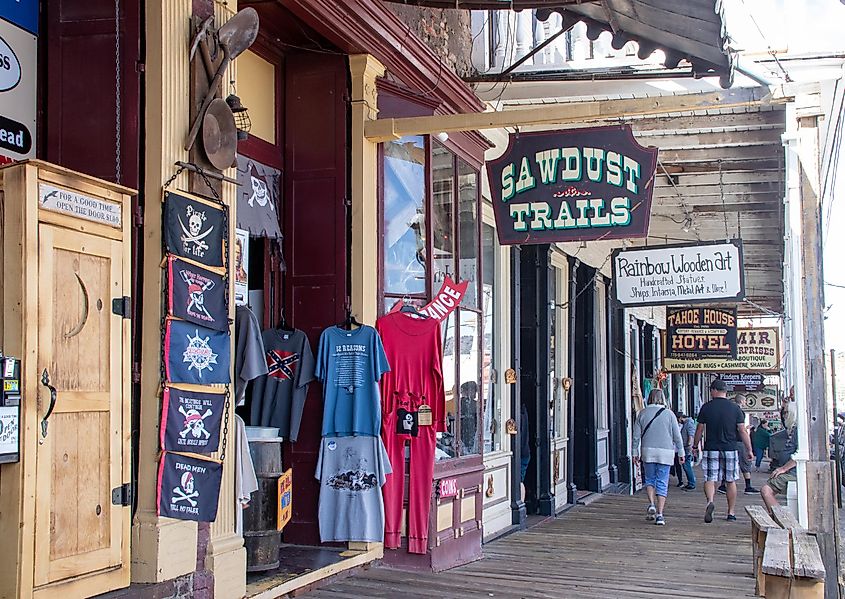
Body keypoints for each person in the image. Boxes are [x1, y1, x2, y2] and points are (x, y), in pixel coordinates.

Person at [693, 378, 754, 523]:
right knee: (730, 480)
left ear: (714, 390)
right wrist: (749, 449)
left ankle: (710, 502)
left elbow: (700, 429)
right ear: (725, 392)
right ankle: (731, 512)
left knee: (710, 478)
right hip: (730, 447)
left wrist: (695, 446)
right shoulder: (735, 409)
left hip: (711, 447)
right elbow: (742, 431)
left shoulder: (706, 407)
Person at [632, 389, 685, 526]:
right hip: (666, 453)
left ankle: (651, 504)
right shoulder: (669, 414)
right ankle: (660, 515)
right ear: (663, 398)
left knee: (650, 479)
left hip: (648, 451)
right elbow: (677, 436)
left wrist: (634, 453)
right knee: (662, 481)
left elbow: (636, 436)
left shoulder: (642, 414)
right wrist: (681, 452)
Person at [717, 394, 759, 496]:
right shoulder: (739, 412)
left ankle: (723, 485)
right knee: (745, 463)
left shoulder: (725, 412)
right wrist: (749, 446)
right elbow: (740, 429)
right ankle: (748, 486)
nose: (745, 403)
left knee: (727, 463)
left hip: (728, 441)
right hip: (739, 441)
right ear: (741, 401)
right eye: (744, 401)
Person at [679, 412, 698, 490]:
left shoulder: (689, 423)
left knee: (686, 465)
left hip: (687, 447)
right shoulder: (688, 423)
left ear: (680, 418)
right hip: (686, 447)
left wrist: (689, 444)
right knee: (686, 465)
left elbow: (691, 435)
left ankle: (691, 483)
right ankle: (691, 481)